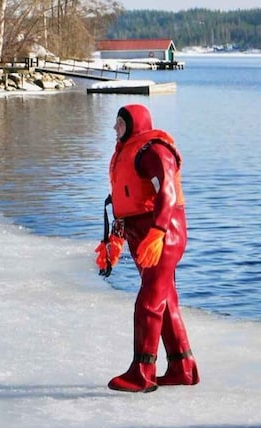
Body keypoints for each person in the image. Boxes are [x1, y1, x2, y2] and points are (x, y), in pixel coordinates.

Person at [94, 104, 199, 393]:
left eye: (119, 124)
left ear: (133, 124)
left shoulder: (153, 151)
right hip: (140, 233)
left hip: (163, 232)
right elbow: (124, 201)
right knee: (165, 301)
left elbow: (167, 192)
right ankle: (182, 367)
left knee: (148, 303)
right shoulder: (128, 153)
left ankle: (142, 371)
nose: (115, 129)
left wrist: (158, 231)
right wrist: (114, 240)